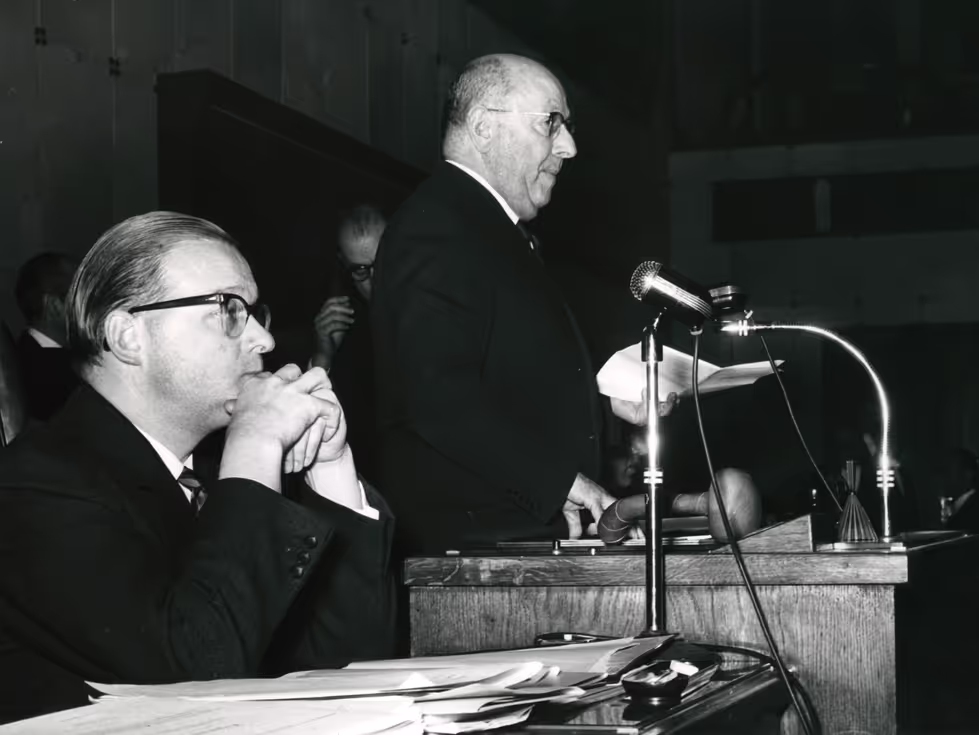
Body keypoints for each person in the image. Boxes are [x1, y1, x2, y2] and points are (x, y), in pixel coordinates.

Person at [0, 212, 395, 724]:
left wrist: (331, 469)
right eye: (229, 308)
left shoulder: (223, 478)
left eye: (255, 313)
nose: (264, 341)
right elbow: (194, 676)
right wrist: (253, 446)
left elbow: (351, 671)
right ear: (127, 336)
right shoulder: (33, 486)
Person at [372, 54, 658, 551]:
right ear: (483, 126)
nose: (568, 147)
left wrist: (609, 402)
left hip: (515, 534)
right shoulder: (438, 228)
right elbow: (437, 399)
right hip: (475, 550)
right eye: (551, 123)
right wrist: (561, 484)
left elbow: (504, 382)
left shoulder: (481, 225)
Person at [310, 205, 386, 483]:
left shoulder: (436, 304)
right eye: (362, 271)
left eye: (385, 262)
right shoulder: (344, 322)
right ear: (345, 265)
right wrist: (324, 355)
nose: (377, 281)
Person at [13, 252, 80, 420]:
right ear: (55, 306)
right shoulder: (36, 373)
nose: (91, 309)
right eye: (82, 298)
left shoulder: (20, 359)